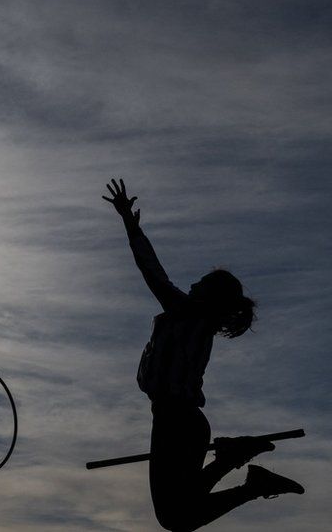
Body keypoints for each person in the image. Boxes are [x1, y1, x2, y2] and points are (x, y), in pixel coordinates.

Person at [103, 179, 304, 532]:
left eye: (199, 282)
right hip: (179, 420)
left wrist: (131, 226)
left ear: (207, 296)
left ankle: (239, 465)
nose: (192, 284)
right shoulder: (196, 319)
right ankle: (241, 467)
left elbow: (152, 271)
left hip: (177, 421)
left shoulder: (188, 312)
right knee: (178, 514)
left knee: (175, 516)